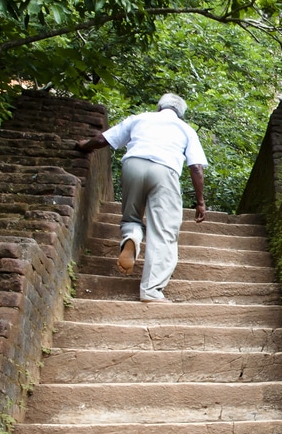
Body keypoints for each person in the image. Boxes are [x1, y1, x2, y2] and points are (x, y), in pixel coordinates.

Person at [75, 93, 207, 303]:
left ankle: (132, 237)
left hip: (133, 164)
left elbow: (103, 139)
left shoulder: (140, 118)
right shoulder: (186, 130)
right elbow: (196, 167)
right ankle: (151, 290)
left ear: (159, 107)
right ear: (181, 114)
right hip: (165, 171)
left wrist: (83, 146)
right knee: (164, 230)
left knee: (131, 217)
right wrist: (200, 202)